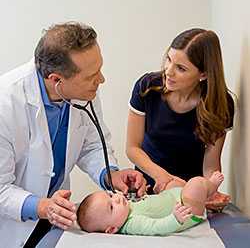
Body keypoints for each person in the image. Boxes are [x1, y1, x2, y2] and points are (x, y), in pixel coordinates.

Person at [0, 22, 146, 248]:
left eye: (99, 70)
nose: (101, 80)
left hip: (55, 220)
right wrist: (43, 206)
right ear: (56, 80)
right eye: (92, 76)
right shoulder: (6, 104)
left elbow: (91, 144)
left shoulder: (82, 91)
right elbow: (1, 189)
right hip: (11, 227)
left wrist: (110, 174)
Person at [126, 28, 234, 203]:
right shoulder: (147, 87)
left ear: (204, 74)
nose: (168, 71)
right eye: (169, 59)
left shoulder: (220, 104)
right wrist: (164, 178)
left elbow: (211, 164)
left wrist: (209, 191)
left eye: (181, 68)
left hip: (189, 192)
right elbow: (132, 148)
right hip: (146, 186)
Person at [77, 171, 224, 236]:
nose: (116, 198)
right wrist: (175, 219)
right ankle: (211, 187)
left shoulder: (126, 209)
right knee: (195, 184)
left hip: (176, 197)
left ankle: (203, 197)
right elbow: (156, 227)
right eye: (111, 206)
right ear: (112, 230)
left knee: (171, 183)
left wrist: (145, 196)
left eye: (110, 195)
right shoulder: (132, 224)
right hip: (187, 213)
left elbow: (149, 207)